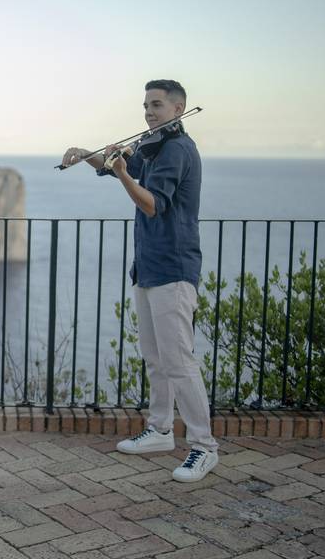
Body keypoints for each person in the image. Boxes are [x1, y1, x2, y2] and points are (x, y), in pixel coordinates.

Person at [62, 79, 218, 482]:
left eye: (157, 105)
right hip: (148, 267)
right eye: (146, 105)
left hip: (173, 267)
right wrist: (90, 157)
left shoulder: (178, 150)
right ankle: (161, 430)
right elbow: (125, 172)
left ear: (178, 109)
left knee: (180, 362)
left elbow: (150, 203)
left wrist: (122, 172)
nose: (149, 112)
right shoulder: (155, 146)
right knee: (155, 358)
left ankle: (204, 447)